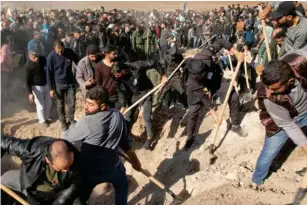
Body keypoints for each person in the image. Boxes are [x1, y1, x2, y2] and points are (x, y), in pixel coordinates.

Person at [64, 86, 142, 205]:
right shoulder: (118, 116)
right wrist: (136, 162)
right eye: (86, 102)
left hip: (90, 171)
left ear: (103, 106)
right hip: (113, 167)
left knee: (78, 197)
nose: (86, 107)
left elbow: (66, 137)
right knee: (122, 182)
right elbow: (125, 144)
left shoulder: (87, 122)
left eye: (90, 104)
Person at [253, 53, 307, 205]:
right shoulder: (269, 96)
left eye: (275, 88)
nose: (271, 90)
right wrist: (305, 146)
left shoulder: (300, 63)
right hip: (281, 123)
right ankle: (257, 180)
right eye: (268, 87)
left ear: (290, 81)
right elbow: (288, 124)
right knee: (268, 153)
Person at [184, 35, 246, 150]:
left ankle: (235, 125)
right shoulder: (193, 82)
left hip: (216, 79)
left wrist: (236, 53)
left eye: (201, 74)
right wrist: (215, 115)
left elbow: (221, 41)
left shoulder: (204, 55)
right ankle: (190, 137)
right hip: (200, 90)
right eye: (197, 76)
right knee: (193, 111)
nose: (199, 76)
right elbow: (204, 98)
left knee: (233, 96)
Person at [1, 136, 85, 205]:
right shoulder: (31, 149)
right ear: (48, 160)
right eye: (62, 168)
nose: (67, 171)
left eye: (68, 166)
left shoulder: (75, 156)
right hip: (35, 193)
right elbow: (4, 141)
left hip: (61, 191)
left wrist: (60, 201)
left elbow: (76, 181)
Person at [47, 40, 79, 131]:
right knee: (60, 104)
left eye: (61, 51)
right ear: (54, 48)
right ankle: (63, 123)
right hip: (58, 84)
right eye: (58, 51)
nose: (60, 53)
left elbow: (78, 61)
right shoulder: (51, 57)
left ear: (64, 47)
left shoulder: (69, 52)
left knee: (72, 103)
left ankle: (71, 120)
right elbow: (48, 74)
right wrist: (51, 89)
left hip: (70, 83)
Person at [25, 50, 52, 127]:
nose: (36, 59)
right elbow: (27, 80)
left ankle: (46, 118)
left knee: (48, 103)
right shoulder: (28, 66)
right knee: (40, 104)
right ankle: (42, 120)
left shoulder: (43, 59)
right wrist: (30, 93)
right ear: (30, 57)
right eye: (34, 57)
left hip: (46, 84)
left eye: (37, 56)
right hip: (36, 87)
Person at [95, 45, 126, 110]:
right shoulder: (99, 66)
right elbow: (98, 83)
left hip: (118, 96)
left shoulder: (117, 63)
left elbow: (126, 71)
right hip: (106, 98)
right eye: (113, 54)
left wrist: (121, 74)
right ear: (107, 54)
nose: (116, 55)